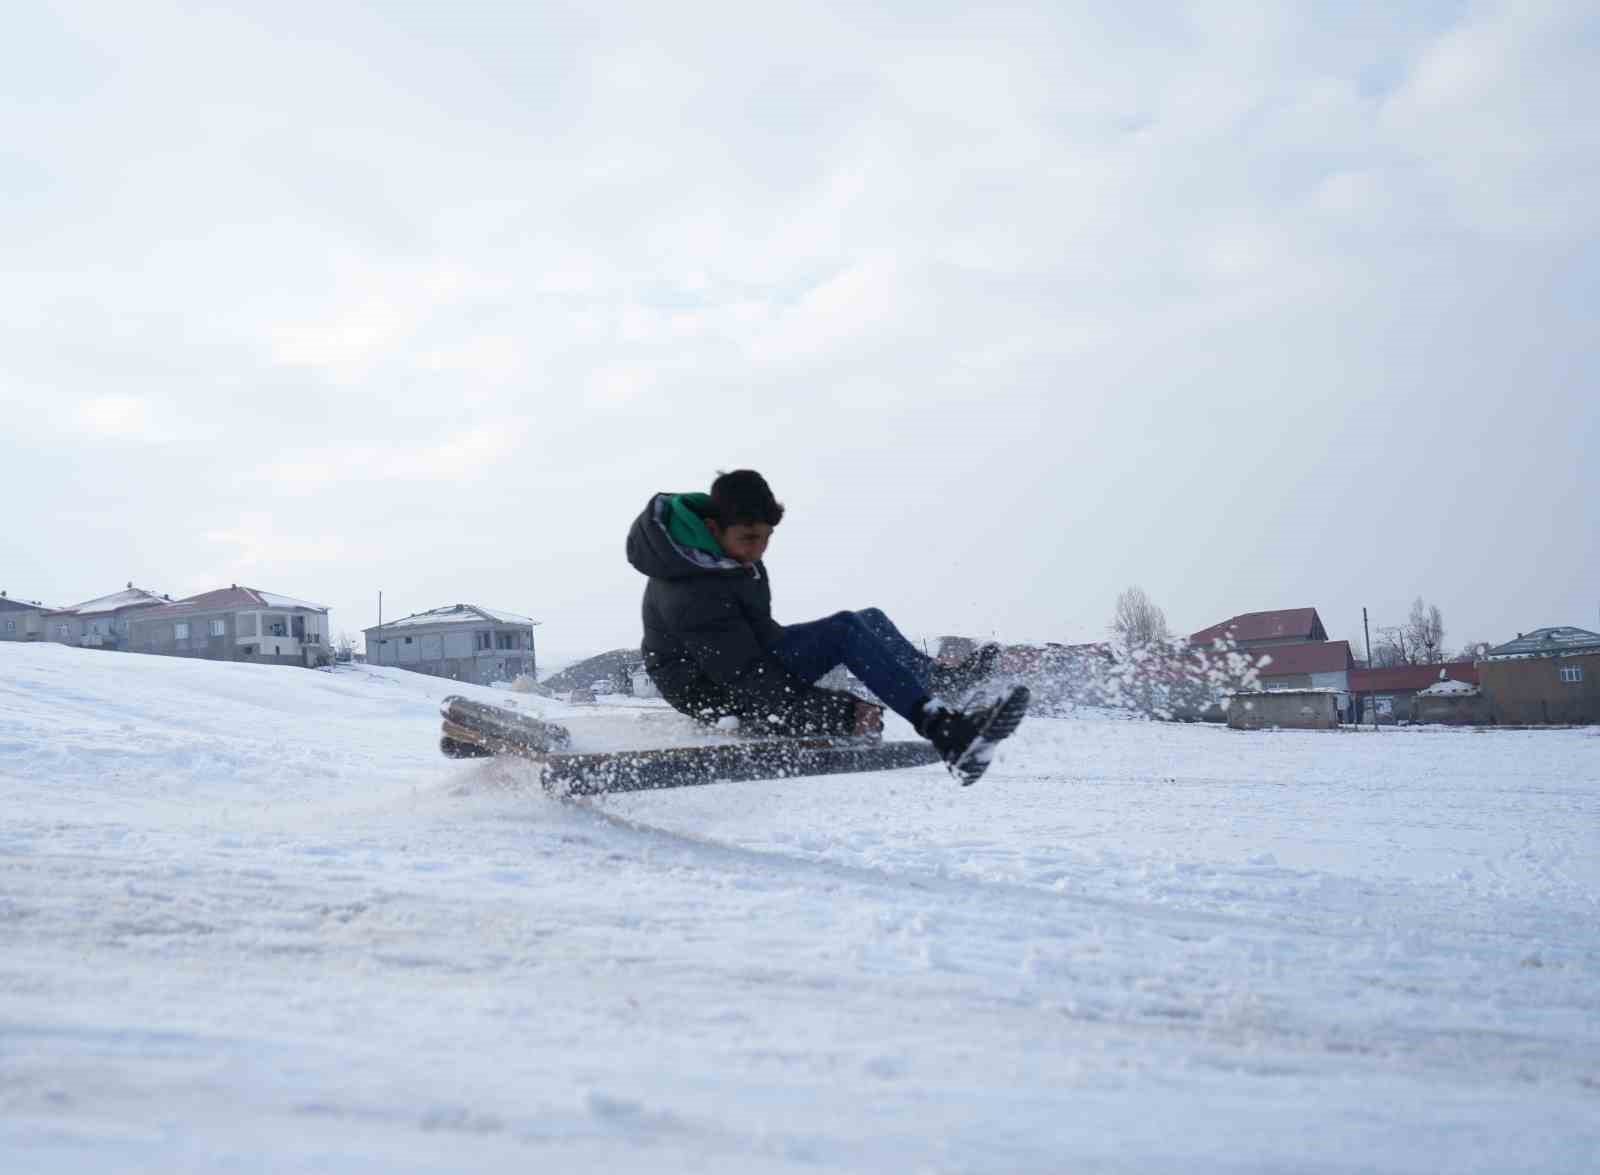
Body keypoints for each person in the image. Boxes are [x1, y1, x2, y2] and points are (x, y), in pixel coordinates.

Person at [625, 470, 1029, 784]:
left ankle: (939, 687)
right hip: (713, 693)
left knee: (867, 619)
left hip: (746, 661)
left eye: (766, 538)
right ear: (713, 529)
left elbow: (754, 642)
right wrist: (835, 712)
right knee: (845, 630)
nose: (758, 550)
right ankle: (946, 733)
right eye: (749, 538)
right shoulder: (689, 590)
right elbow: (743, 678)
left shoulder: (727, 558)